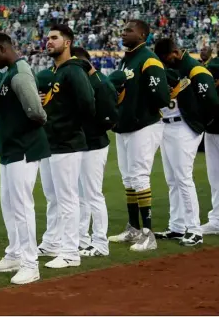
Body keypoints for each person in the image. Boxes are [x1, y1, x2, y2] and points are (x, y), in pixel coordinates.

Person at [0, 32, 50, 285]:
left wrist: (38, 120)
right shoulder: (8, 74)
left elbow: (35, 111)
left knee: (21, 206)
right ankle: (14, 254)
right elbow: (6, 114)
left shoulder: (19, 74)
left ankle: (30, 264)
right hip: (11, 148)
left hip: (23, 147)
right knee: (9, 204)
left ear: (3, 49)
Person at [36, 25, 95, 268]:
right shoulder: (58, 72)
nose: (48, 42)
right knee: (53, 197)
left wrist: (69, 127)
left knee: (68, 198)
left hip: (67, 143)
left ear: (67, 42)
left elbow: (88, 105)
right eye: (47, 38)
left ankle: (71, 252)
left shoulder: (73, 71)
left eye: (54, 38)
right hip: (51, 142)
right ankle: (52, 242)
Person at [108, 20, 170, 251]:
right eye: (122, 29)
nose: (123, 33)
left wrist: (140, 110)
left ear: (142, 34)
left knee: (140, 177)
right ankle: (134, 228)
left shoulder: (149, 59)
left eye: (129, 30)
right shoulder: (128, 58)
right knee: (128, 179)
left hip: (143, 124)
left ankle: (149, 234)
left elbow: (162, 96)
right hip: (125, 125)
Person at [153, 38, 219, 246]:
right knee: (172, 179)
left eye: (166, 57)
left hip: (184, 126)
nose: (165, 61)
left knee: (183, 178)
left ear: (175, 52)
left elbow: (210, 99)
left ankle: (194, 229)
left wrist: (201, 122)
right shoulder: (174, 66)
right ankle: (177, 226)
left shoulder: (193, 68)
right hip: (167, 124)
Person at [70, 46, 119, 256]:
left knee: (93, 194)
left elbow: (109, 118)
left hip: (95, 144)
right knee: (81, 195)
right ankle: (82, 238)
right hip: (82, 143)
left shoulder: (101, 84)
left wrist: (89, 127)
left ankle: (100, 242)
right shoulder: (86, 81)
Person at [201, 56, 219, 235]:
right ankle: (216, 220)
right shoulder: (211, 66)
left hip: (212, 125)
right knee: (215, 178)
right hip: (211, 128)